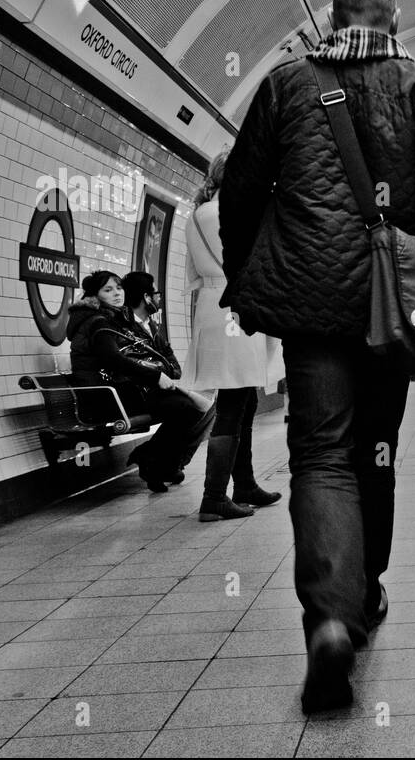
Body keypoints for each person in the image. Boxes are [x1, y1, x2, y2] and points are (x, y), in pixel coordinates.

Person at [219, 0, 415, 712]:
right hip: (390, 310)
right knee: (376, 449)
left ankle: (331, 620)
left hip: (310, 306)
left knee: (320, 453)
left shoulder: (285, 86)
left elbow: (240, 193)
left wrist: (249, 282)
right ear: (395, 20)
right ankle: (364, 595)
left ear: (330, 19)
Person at [184, 149, 284, 521]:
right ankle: (213, 497)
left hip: (214, 305)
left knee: (243, 398)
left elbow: (192, 275)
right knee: (233, 403)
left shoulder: (196, 215)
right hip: (238, 306)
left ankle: (244, 485)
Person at [67, 270, 208, 493]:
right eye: (108, 290)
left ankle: (153, 459)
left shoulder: (111, 318)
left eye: (119, 288)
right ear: (95, 296)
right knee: (185, 409)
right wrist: (155, 376)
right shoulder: (97, 322)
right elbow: (114, 360)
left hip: (120, 391)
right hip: (106, 398)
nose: (116, 293)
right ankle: (152, 459)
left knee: (189, 407)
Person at [120, 270, 212, 487]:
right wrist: (160, 371)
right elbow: (137, 364)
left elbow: (172, 365)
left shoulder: (151, 326)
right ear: (145, 297)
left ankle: (167, 461)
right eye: (155, 293)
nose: (158, 298)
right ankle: (157, 461)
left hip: (160, 389)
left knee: (210, 407)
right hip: (141, 392)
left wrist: (164, 371)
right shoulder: (126, 327)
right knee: (188, 409)